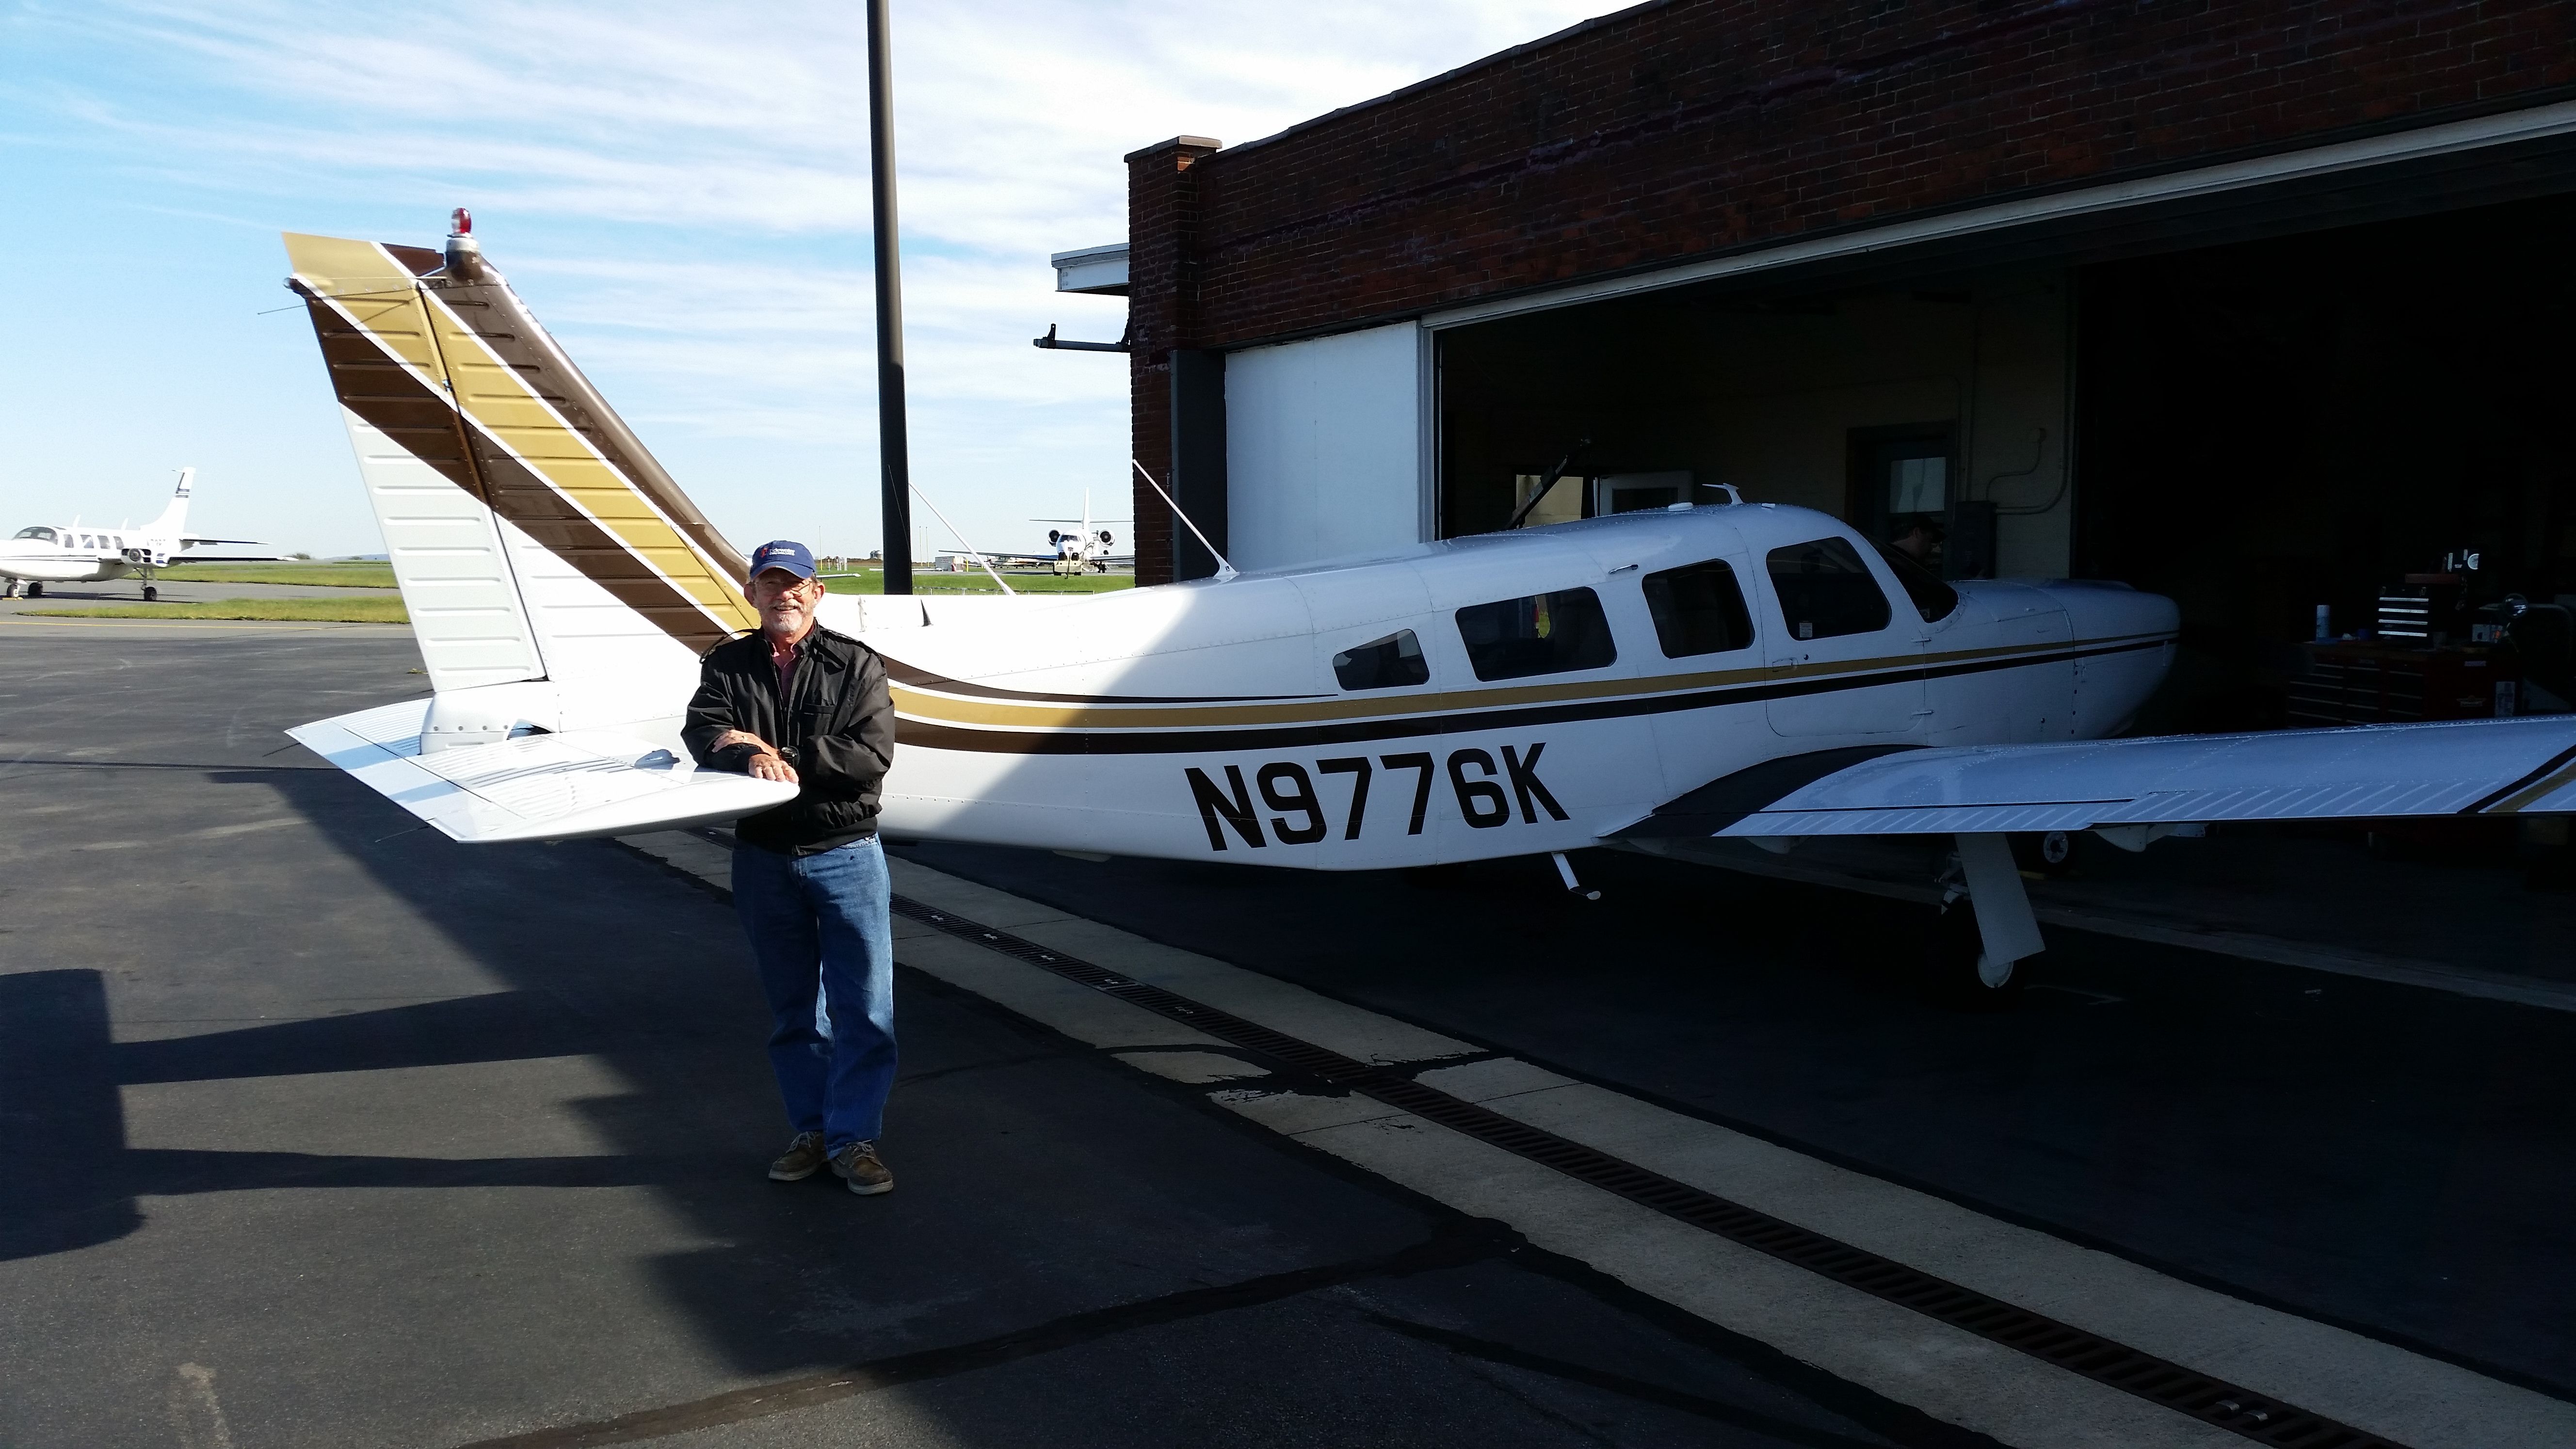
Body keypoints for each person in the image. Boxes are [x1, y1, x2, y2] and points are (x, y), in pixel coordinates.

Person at [683, 540, 900, 1196]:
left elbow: (870, 757)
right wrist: (737, 749)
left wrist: (771, 752)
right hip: (763, 858)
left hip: (847, 856)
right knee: (796, 1011)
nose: (786, 595)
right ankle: (810, 1130)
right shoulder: (727, 662)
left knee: (865, 1007)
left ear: (817, 593)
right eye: (771, 584)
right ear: (752, 593)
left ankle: (854, 1138)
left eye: (797, 583)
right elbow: (704, 733)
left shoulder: (855, 664)